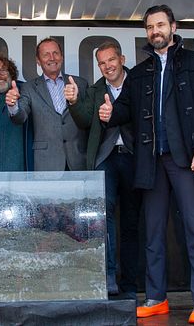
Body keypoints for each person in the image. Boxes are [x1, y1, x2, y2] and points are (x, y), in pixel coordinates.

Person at [99, 4, 194, 324]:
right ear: (146, 32)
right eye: (150, 27)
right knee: (152, 233)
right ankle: (156, 297)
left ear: (173, 26)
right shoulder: (139, 73)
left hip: (186, 161)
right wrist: (109, 113)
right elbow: (123, 109)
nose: (155, 31)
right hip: (151, 164)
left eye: (160, 25)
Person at [65, 41, 141, 298]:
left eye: (111, 60)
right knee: (103, 219)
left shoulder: (139, 81)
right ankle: (109, 276)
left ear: (122, 58)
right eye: (102, 62)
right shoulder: (96, 89)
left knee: (131, 223)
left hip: (134, 158)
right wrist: (75, 102)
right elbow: (85, 120)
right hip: (105, 159)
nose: (107, 66)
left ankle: (130, 284)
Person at [5, 37, 89, 171]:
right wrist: (12, 105)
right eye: (46, 55)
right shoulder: (29, 88)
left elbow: (87, 119)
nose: (52, 58)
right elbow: (20, 117)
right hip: (46, 163)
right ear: (38, 61)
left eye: (55, 53)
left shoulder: (81, 84)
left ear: (61, 56)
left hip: (79, 160)